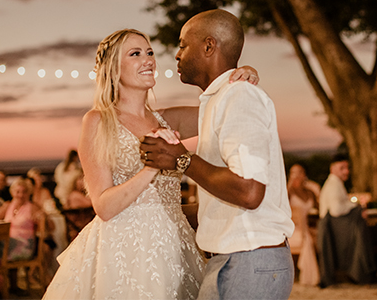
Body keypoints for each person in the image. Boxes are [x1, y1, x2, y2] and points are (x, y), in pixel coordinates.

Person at [43, 28, 258, 300]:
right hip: (122, 252)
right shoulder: (98, 121)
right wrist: (153, 166)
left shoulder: (170, 119)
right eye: (135, 54)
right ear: (112, 68)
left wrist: (239, 78)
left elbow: (225, 109)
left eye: (150, 53)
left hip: (174, 245)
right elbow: (104, 207)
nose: (148, 60)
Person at [140, 10, 294, 300]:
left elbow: (249, 191)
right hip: (235, 260)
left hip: (249, 261)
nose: (176, 54)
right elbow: (220, 204)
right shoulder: (218, 102)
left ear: (209, 46)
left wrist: (180, 159)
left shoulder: (239, 96)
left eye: (183, 45)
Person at [316, 153, 375, 287]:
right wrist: (358, 209)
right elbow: (337, 210)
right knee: (361, 229)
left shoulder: (336, 183)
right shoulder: (333, 185)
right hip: (333, 228)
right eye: (342, 168)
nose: (346, 171)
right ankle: (361, 270)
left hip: (334, 227)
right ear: (333, 169)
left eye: (347, 168)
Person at [0, 178, 50, 296]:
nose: (20, 195)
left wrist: (42, 217)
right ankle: (2, 287)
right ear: (12, 192)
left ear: (28, 193)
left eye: (24, 191)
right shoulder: (7, 206)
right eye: (17, 191)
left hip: (25, 246)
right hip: (9, 244)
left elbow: (49, 226)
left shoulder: (32, 207)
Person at [287, 163, 320, 286]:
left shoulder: (310, 192)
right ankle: (310, 277)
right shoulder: (288, 192)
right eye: (293, 172)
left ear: (304, 175)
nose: (296, 176)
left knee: (317, 235)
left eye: (299, 172)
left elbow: (318, 209)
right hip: (295, 228)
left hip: (311, 225)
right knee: (307, 239)